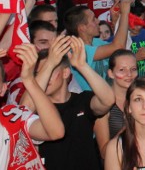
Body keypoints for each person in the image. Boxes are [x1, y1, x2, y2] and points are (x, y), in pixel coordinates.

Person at [31, 36, 115, 170]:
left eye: (49, 71)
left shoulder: (82, 100)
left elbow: (108, 100)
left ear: (65, 73)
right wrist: (50, 64)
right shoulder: (35, 111)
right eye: (38, 73)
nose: (44, 76)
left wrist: (82, 66)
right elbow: (24, 106)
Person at [94, 50, 139, 158]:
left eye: (133, 69)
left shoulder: (142, 99)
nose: (129, 74)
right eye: (122, 70)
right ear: (110, 73)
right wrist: (130, 124)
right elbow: (105, 153)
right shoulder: (103, 105)